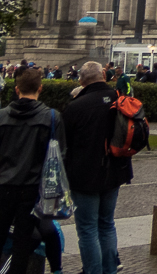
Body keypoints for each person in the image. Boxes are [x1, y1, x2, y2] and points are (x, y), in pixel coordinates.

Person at [62, 61, 133, 274]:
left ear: (81, 80)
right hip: (115, 171)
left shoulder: (76, 106)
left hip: (85, 176)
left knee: (87, 228)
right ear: (104, 75)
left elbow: (64, 145)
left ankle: (93, 271)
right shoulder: (120, 99)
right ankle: (110, 269)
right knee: (107, 224)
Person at [0, 67, 65, 274]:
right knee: (22, 242)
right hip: (32, 189)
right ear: (41, 88)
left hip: (3, 186)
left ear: (16, 89)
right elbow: (60, 156)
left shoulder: (1, 117)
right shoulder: (52, 117)